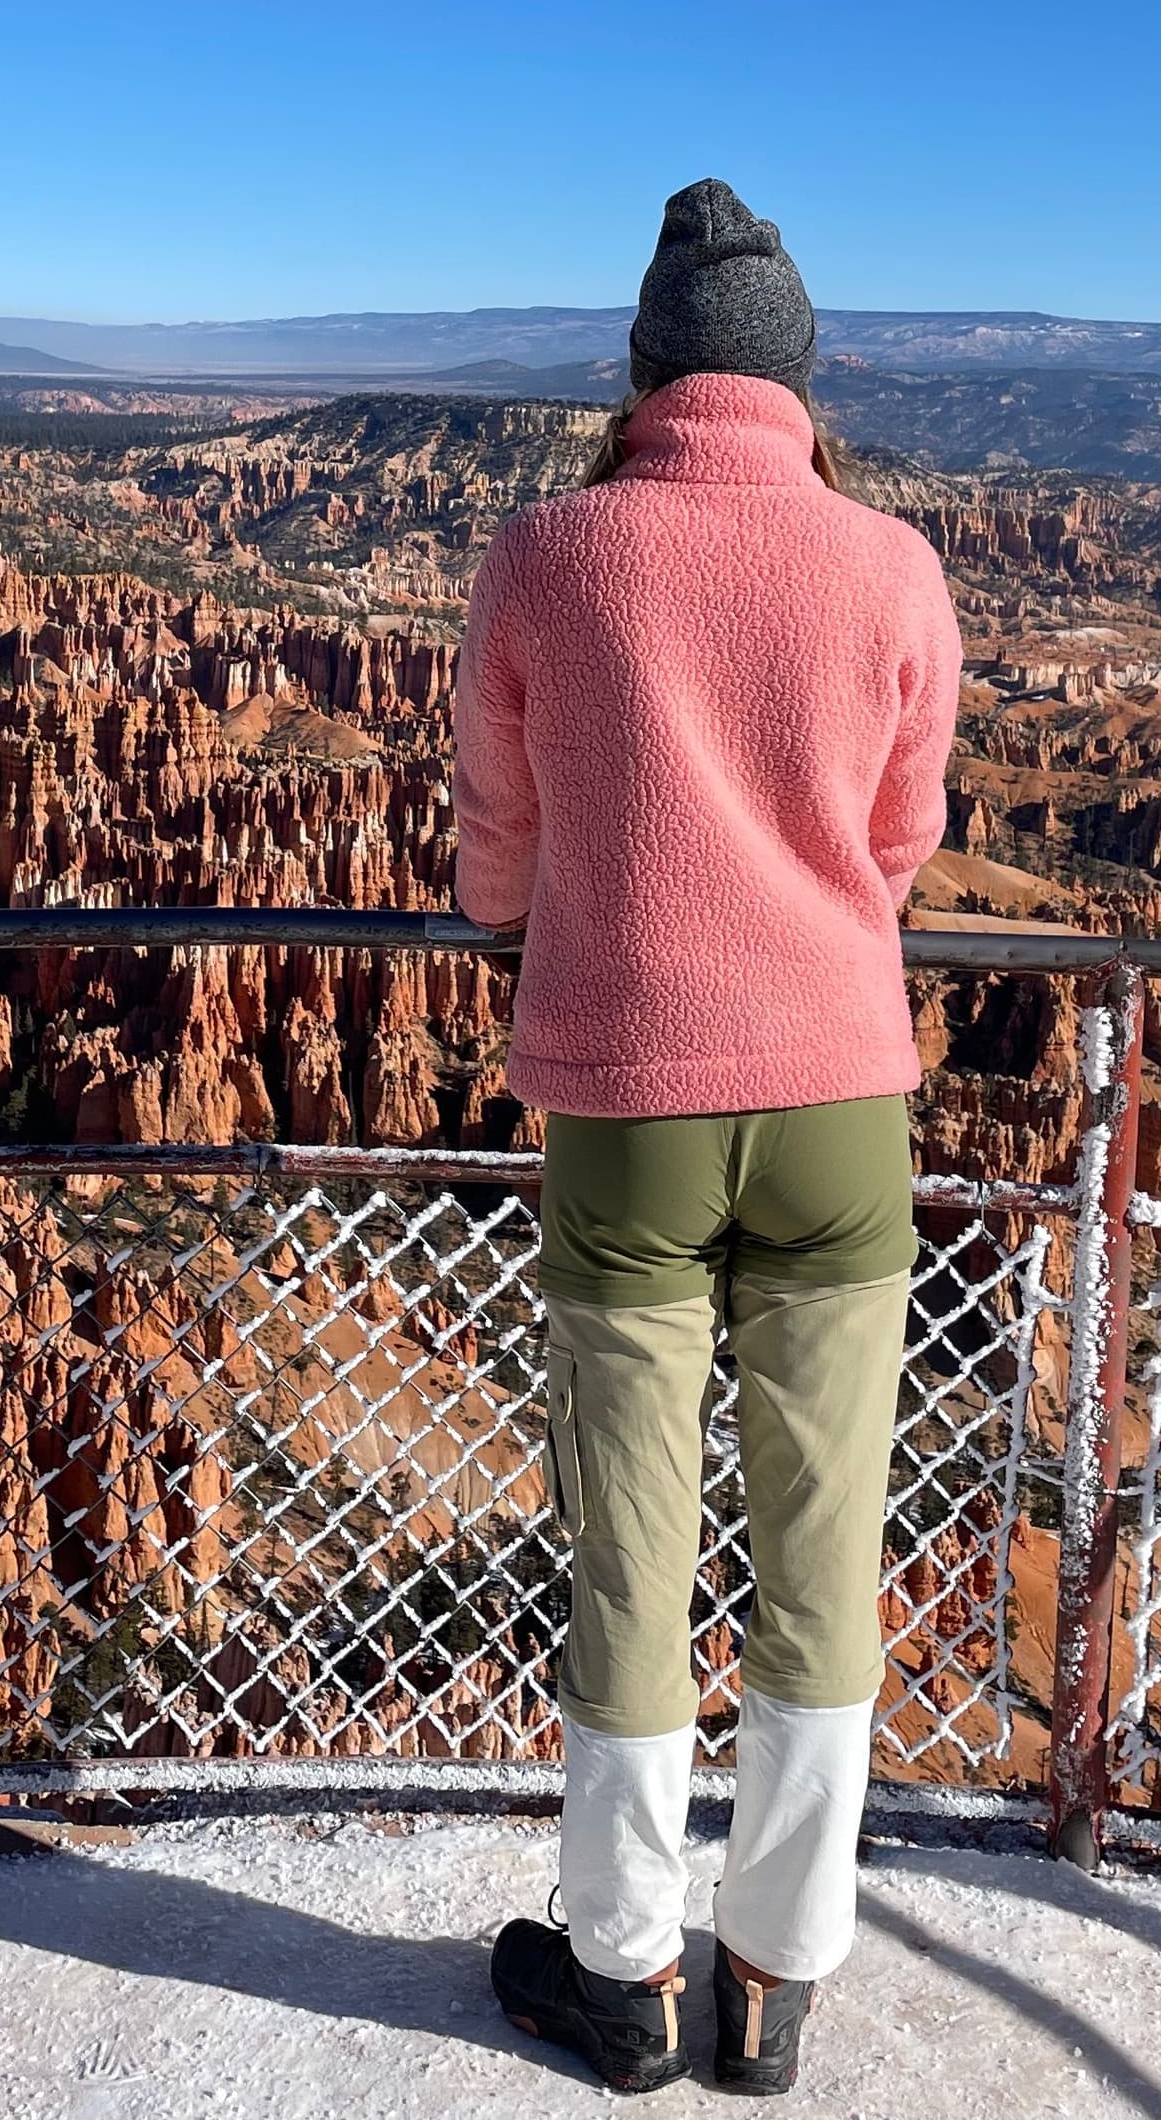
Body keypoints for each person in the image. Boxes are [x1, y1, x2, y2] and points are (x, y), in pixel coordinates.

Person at [452, 180, 964, 2096]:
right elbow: (900, 836)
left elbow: (494, 829)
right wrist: (816, 924)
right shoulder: (893, 564)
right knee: (826, 1547)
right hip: (843, 1097)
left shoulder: (551, 551)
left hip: (628, 1104)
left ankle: (622, 1978)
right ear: (798, 386)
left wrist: (529, 918)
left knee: (632, 1552)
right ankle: (781, 1978)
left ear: (649, 370)